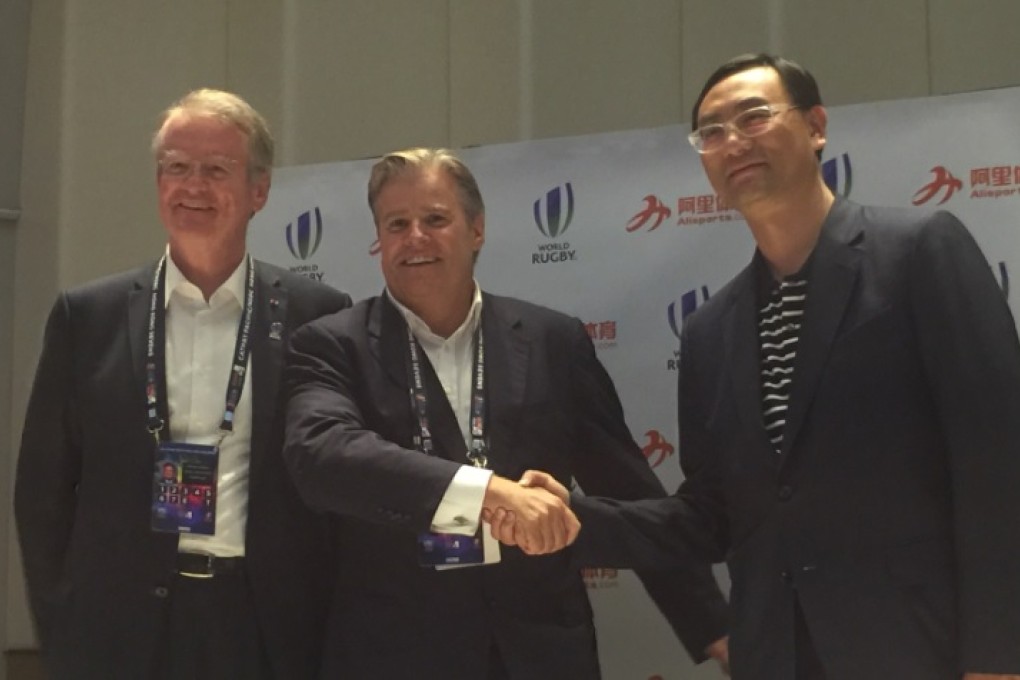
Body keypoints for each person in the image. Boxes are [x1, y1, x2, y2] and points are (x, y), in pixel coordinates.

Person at [498, 53, 1020, 680]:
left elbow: (998, 463)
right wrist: (574, 520)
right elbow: (711, 516)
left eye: (754, 116)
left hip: (919, 646)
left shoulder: (918, 252)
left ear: (816, 125)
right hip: (778, 653)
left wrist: (999, 656)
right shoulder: (710, 331)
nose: (732, 142)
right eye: (711, 132)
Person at [282, 147, 729, 679]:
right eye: (396, 224)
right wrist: (491, 493)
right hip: (395, 654)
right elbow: (323, 457)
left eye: (435, 219)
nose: (415, 238)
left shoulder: (551, 341)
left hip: (540, 654)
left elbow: (629, 490)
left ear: (477, 230)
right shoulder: (332, 344)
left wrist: (713, 628)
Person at [15, 88, 352, 679]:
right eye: (176, 167)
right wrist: (61, 623)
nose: (193, 186)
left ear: (259, 191)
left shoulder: (315, 314)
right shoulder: (86, 316)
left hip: (265, 623)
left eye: (216, 170)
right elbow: (42, 491)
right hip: (119, 628)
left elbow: (335, 484)